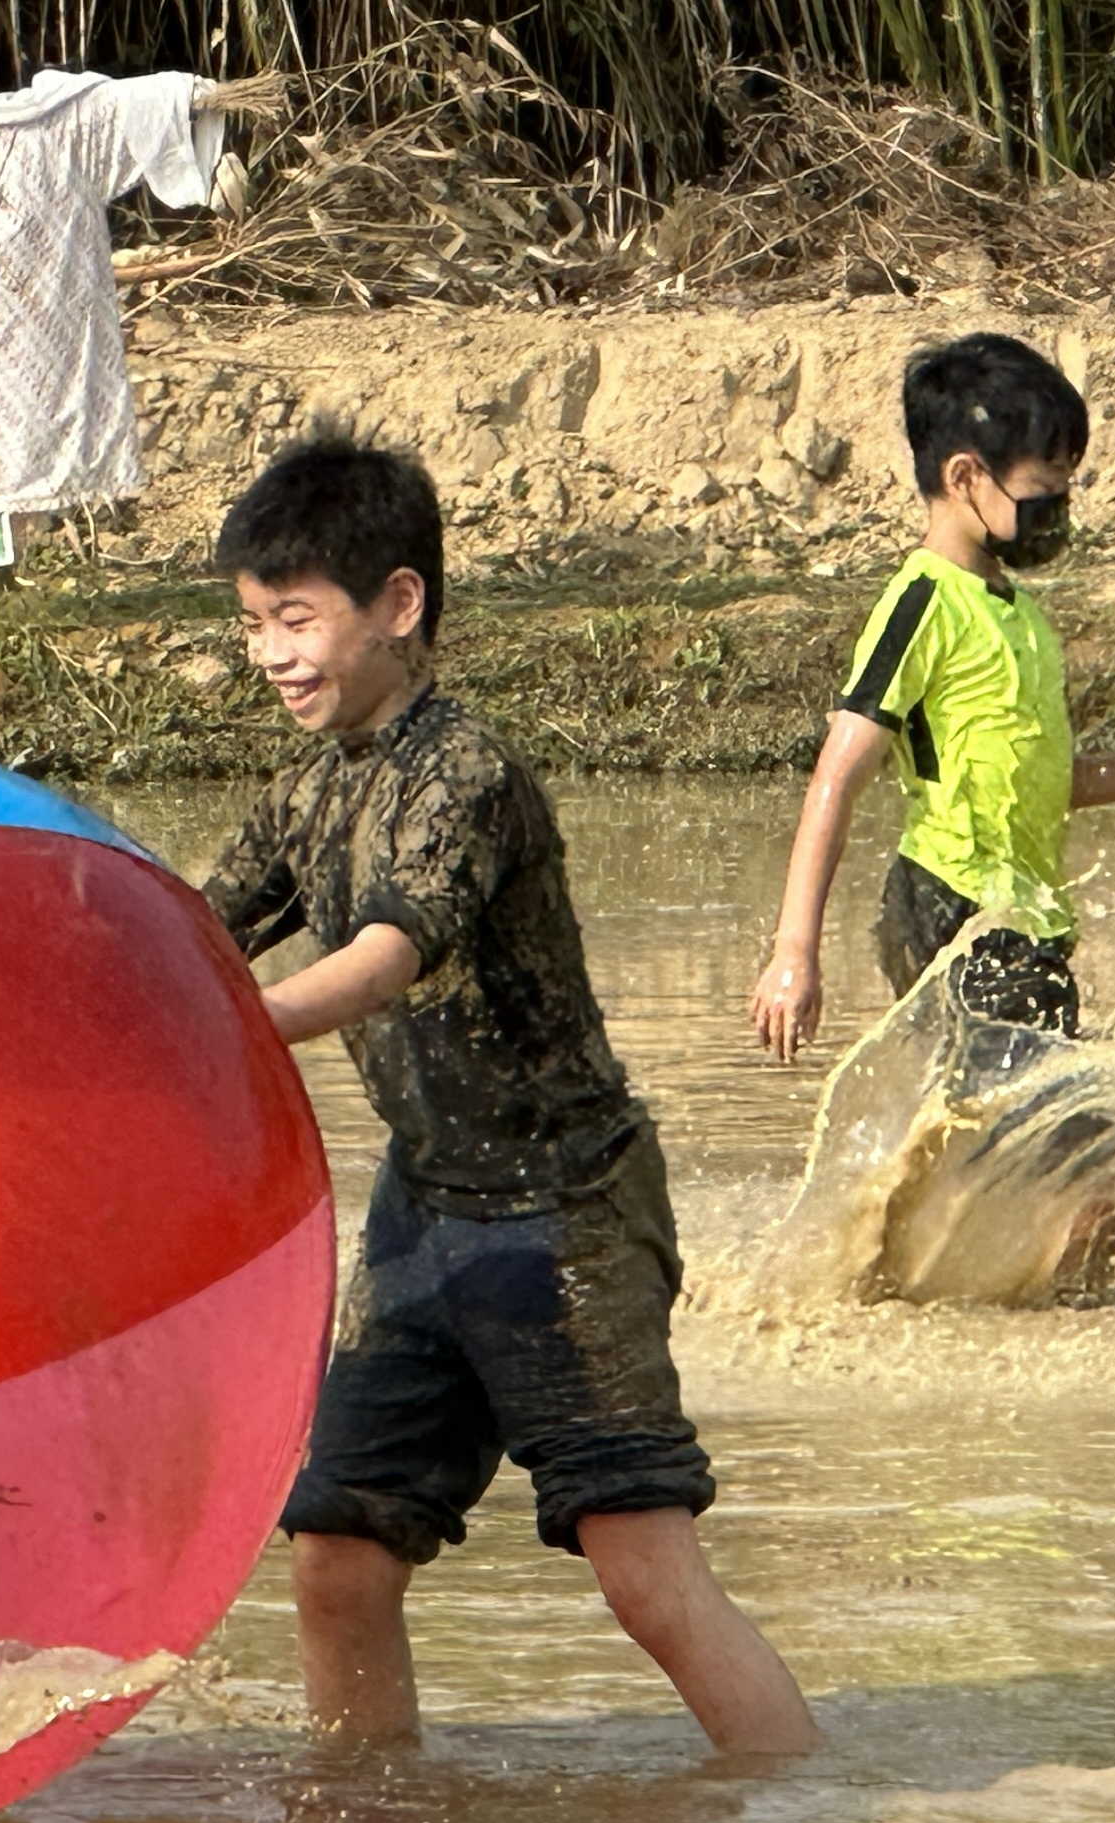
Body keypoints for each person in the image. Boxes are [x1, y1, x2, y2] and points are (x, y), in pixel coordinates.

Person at [196, 437, 815, 1756]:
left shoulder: (466, 769)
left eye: (297, 618)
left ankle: (807, 1819)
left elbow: (383, 957)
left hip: (566, 1205)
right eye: (254, 624)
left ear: (399, 604)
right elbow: (179, 937)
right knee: (338, 1552)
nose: (273, 653)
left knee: (642, 1571)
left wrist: (223, 1027)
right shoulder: (308, 789)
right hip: (426, 1210)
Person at [748, 334, 1115, 1058]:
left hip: (1022, 923)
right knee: (1067, 1141)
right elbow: (837, 776)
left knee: (1004, 1140)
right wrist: (794, 951)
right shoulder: (922, 604)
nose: (1056, 513)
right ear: (966, 476)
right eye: (1040, 493)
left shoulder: (1018, 615)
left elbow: (1047, 783)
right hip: (955, 913)